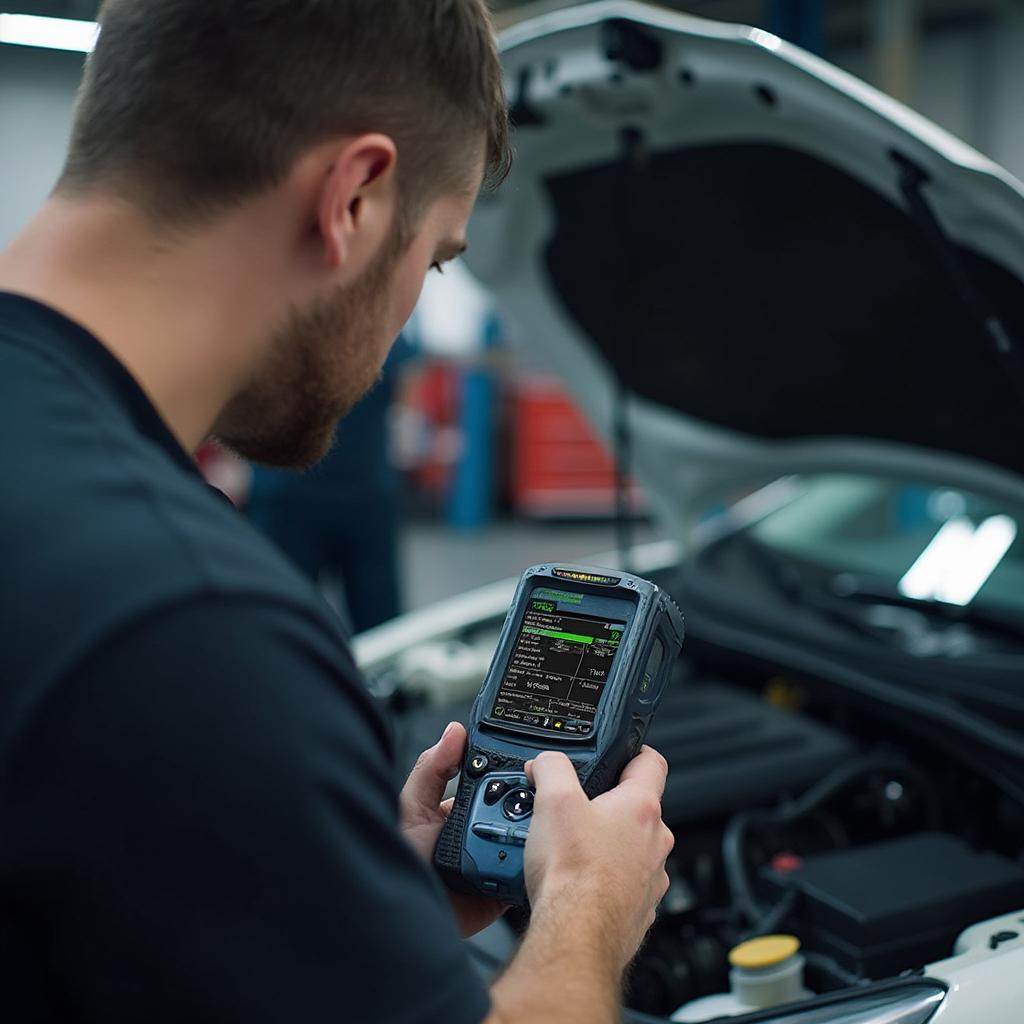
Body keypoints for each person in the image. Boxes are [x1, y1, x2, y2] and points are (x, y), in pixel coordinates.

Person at [0, 2, 675, 1022]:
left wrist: (342, 895)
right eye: (437, 256)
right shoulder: (188, 620)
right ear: (354, 197)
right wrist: (590, 906)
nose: (416, 299)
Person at [247, 341, 408, 634]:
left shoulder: (382, 318)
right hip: (298, 495)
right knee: (279, 623)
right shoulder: (379, 319)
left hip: (345, 495)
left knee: (380, 632)